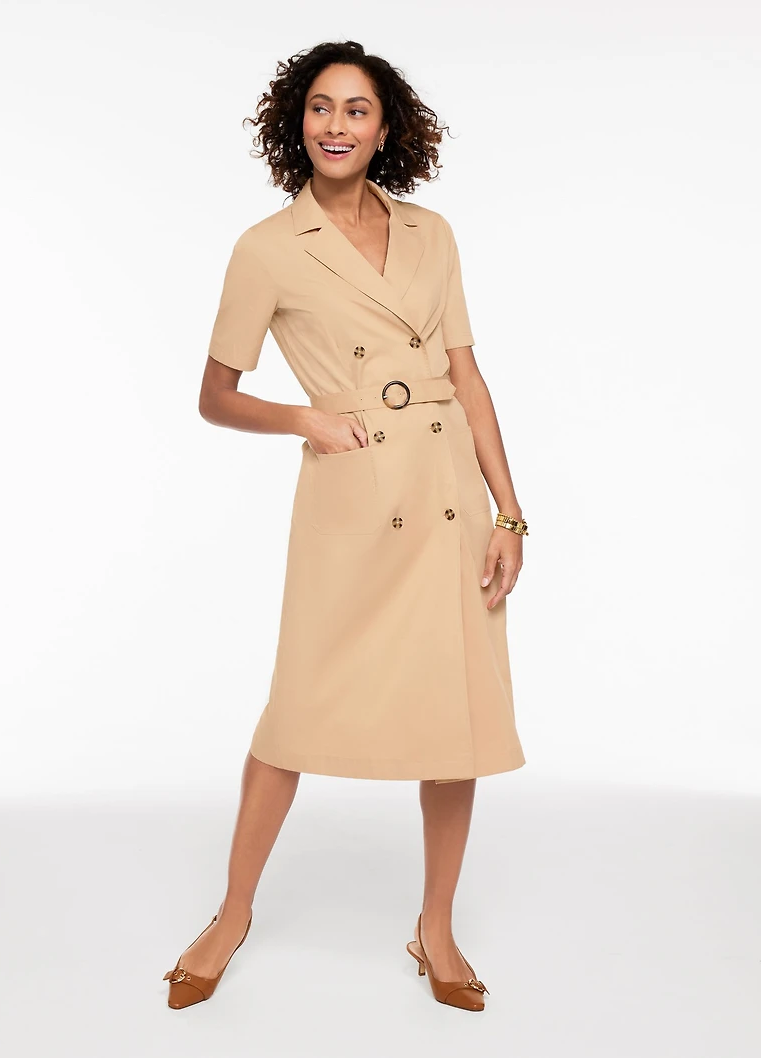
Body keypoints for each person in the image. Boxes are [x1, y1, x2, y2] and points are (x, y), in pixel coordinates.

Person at [162, 40, 528, 1013]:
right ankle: (232, 912)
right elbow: (213, 394)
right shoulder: (267, 247)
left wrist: (509, 511)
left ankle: (435, 926)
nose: (335, 125)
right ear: (298, 121)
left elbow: (467, 377)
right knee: (294, 710)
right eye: (320, 107)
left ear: (383, 127)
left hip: (445, 495)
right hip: (351, 495)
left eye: (355, 109)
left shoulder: (432, 233)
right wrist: (304, 418)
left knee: (454, 721)